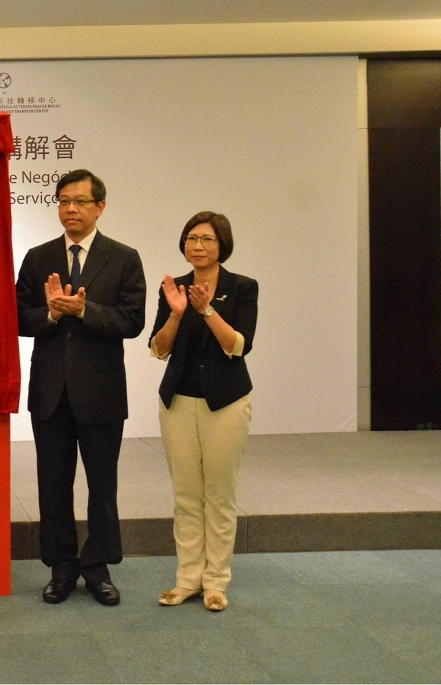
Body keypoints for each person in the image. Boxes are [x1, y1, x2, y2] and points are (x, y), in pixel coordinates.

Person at [16, 169, 146, 606]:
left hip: (101, 391)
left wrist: (85, 310)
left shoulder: (123, 258)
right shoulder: (38, 257)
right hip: (50, 392)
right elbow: (16, 316)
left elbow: (132, 321)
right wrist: (52, 314)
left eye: (80, 202)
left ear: (100, 207)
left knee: (101, 486)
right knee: (53, 485)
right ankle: (61, 568)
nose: (70, 209)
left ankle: (98, 567)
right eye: (64, 201)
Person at [149, 211, 257, 612]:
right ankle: (187, 580)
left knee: (219, 495)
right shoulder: (173, 287)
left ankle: (215, 582)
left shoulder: (242, 287)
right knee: (186, 496)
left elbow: (239, 346)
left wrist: (208, 310)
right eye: (191, 238)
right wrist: (177, 314)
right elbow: (158, 348)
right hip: (177, 401)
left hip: (225, 403)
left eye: (207, 239)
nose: (198, 246)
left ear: (222, 245)